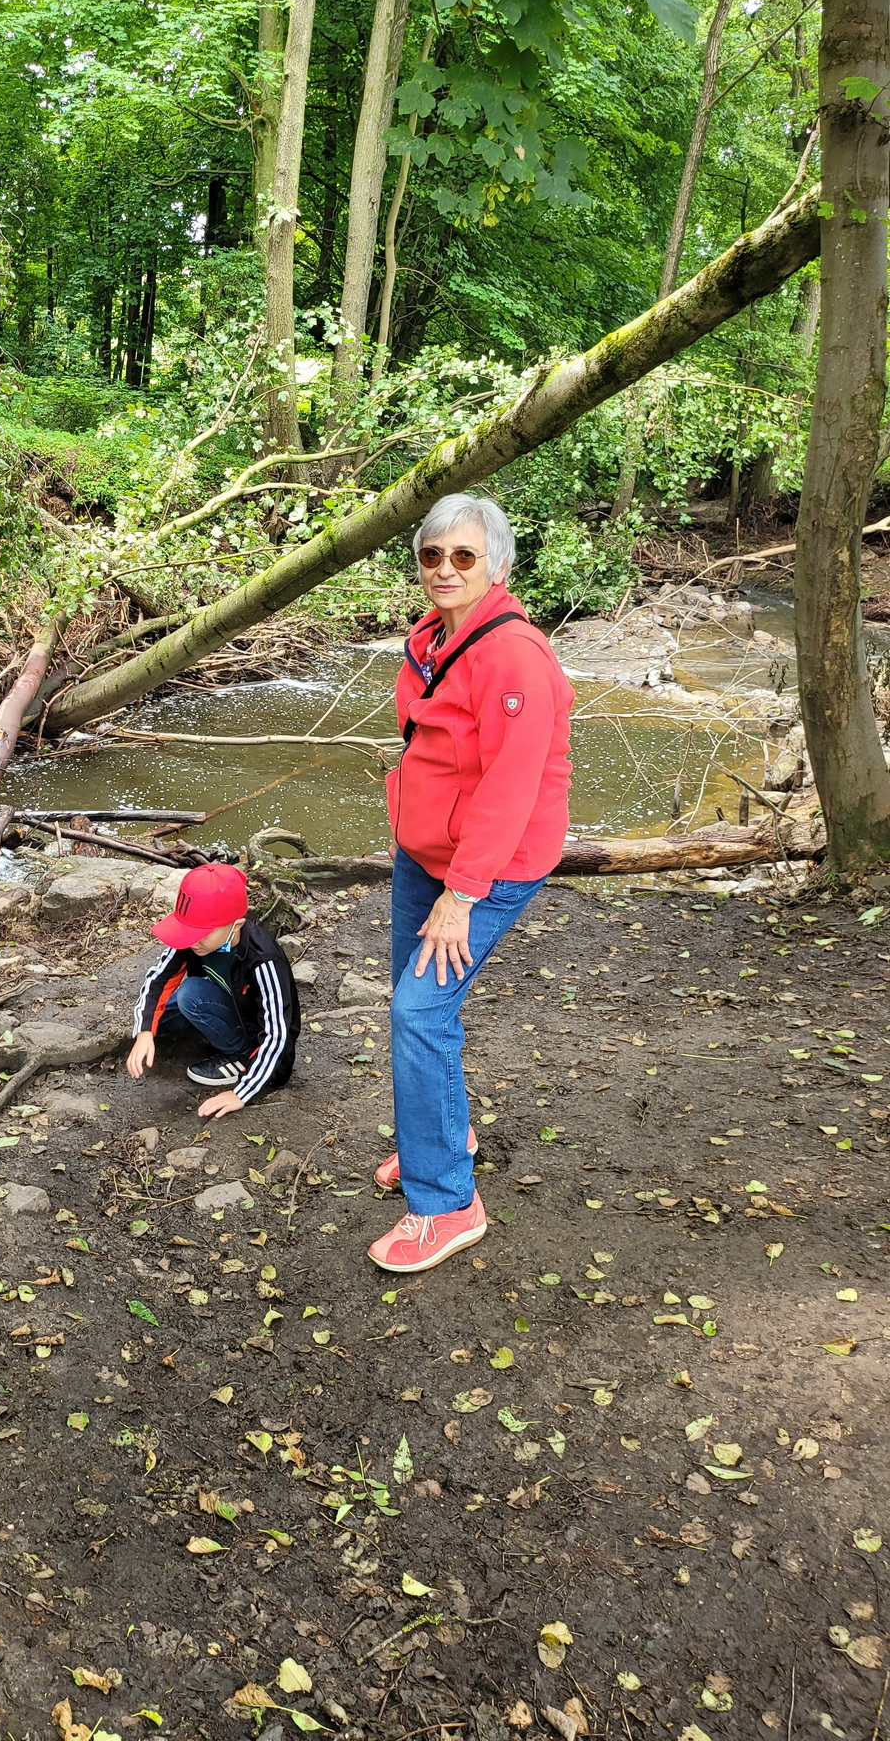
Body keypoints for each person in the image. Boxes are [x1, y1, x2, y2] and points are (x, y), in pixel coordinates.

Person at [370, 492, 573, 1273]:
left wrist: (463, 894)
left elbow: (512, 786)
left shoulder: (514, 655)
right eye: (432, 556)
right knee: (420, 1008)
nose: (445, 570)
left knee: (418, 1013)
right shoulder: (431, 637)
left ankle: (446, 1201)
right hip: (423, 854)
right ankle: (442, 1135)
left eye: (463, 556)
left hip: (484, 869)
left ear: (497, 565)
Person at [126, 863, 300, 1119]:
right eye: (188, 932)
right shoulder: (194, 942)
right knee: (156, 1021)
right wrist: (144, 1032)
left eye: (201, 934)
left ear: (236, 925)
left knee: (190, 994)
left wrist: (242, 1092)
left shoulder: (264, 961)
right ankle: (196, 1028)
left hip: (255, 1033)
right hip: (225, 1001)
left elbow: (279, 1034)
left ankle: (239, 1055)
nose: (193, 941)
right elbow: (158, 979)